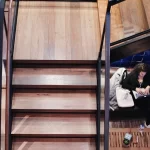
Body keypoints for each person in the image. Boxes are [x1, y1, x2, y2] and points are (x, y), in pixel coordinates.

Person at [122, 63, 150, 128]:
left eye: (144, 73)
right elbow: (124, 84)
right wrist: (135, 88)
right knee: (147, 105)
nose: (143, 75)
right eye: (141, 73)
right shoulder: (132, 76)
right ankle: (148, 122)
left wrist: (148, 86)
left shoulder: (148, 75)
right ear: (138, 71)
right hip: (136, 97)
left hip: (146, 94)